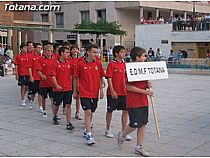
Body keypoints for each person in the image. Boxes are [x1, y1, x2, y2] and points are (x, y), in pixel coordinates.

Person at [117, 46, 153, 157]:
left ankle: (139, 147)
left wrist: (149, 86)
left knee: (143, 124)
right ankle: (122, 134)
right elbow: (128, 87)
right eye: (144, 56)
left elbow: (146, 83)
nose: (146, 58)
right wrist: (144, 92)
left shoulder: (144, 68)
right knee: (134, 124)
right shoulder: (130, 69)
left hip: (143, 101)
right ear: (137, 57)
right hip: (134, 101)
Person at [73, 44, 105, 145]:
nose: (96, 54)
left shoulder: (98, 64)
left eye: (97, 52)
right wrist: (75, 91)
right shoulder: (81, 64)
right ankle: (89, 134)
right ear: (88, 52)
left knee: (92, 111)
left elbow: (101, 78)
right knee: (87, 112)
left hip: (94, 92)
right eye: (94, 52)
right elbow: (75, 77)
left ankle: (87, 128)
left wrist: (101, 90)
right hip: (84, 92)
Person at [104, 45, 132, 141]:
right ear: (116, 53)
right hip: (113, 92)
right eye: (122, 52)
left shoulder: (125, 64)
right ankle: (108, 129)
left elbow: (128, 78)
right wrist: (112, 91)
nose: (124, 53)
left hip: (124, 92)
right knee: (110, 110)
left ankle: (124, 132)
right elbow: (109, 78)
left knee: (125, 111)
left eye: (124, 52)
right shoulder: (111, 64)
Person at [49, 47, 75, 131]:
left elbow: (71, 75)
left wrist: (71, 84)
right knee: (56, 104)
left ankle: (68, 122)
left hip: (68, 88)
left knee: (68, 105)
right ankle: (55, 116)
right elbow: (53, 76)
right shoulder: (55, 63)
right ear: (61, 53)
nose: (68, 54)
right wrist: (56, 85)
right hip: (58, 89)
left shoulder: (69, 63)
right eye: (67, 52)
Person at [37, 45, 56, 117]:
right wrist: (41, 75)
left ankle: (54, 113)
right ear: (44, 51)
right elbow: (38, 70)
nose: (50, 52)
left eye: (51, 51)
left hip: (52, 83)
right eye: (48, 51)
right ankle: (44, 110)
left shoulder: (54, 60)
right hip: (44, 83)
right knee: (44, 97)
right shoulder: (41, 60)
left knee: (53, 98)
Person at [27, 43, 43, 110]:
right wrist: (31, 76)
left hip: (40, 78)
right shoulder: (31, 56)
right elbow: (29, 67)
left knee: (40, 92)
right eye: (38, 48)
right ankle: (31, 101)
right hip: (34, 77)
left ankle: (40, 106)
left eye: (40, 48)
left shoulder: (42, 57)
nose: (39, 49)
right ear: (35, 48)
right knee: (33, 92)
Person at [70, 45, 83, 120]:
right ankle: (65, 107)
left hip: (77, 81)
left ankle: (77, 112)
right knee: (69, 97)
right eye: (73, 49)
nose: (75, 51)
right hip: (69, 80)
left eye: (76, 49)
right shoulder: (68, 59)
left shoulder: (80, 60)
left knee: (78, 97)